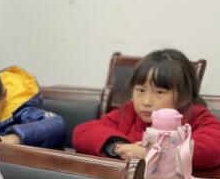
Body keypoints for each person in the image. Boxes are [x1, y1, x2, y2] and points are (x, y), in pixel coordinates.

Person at [73, 48, 220, 170]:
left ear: (183, 96)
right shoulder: (128, 112)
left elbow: (213, 147)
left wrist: (150, 154)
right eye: (141, 90)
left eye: (159, 92)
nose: (146, 101)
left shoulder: (195, 116)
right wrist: (119, 147)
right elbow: (83, 132)